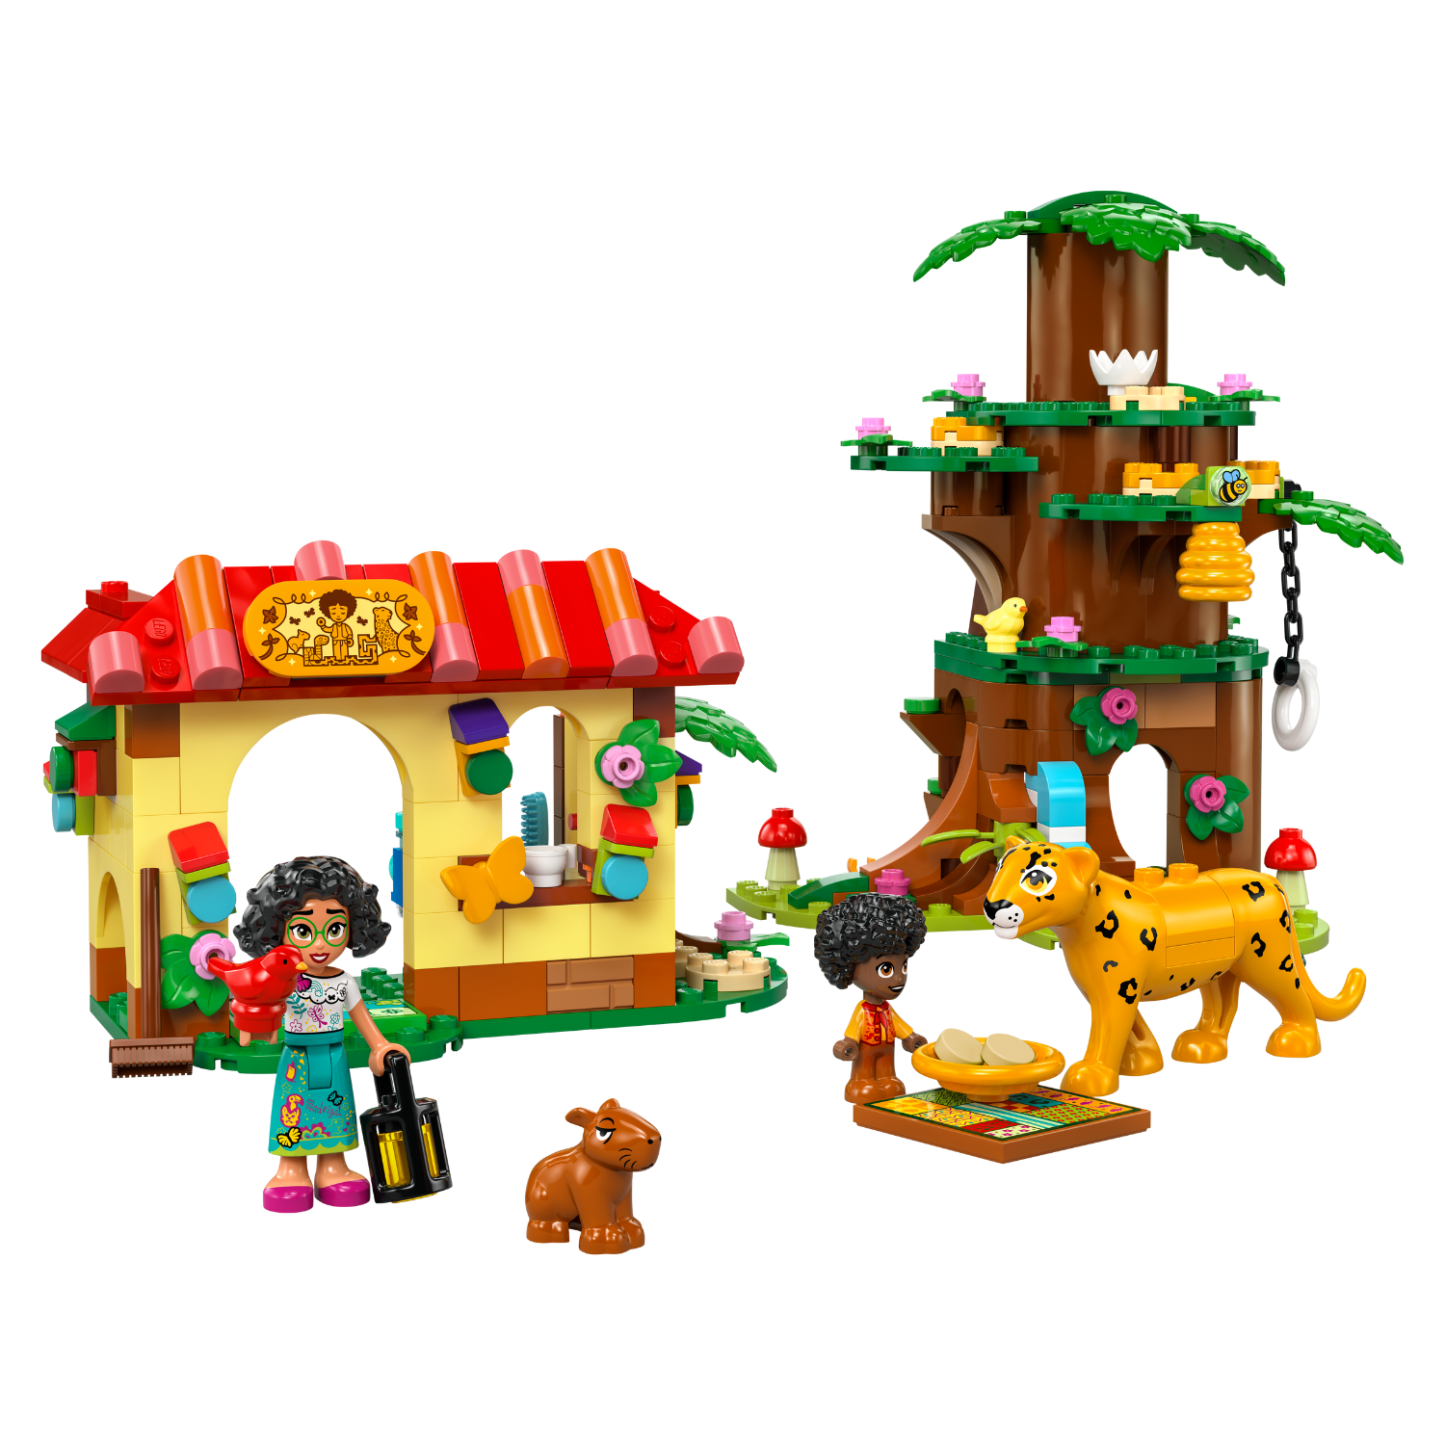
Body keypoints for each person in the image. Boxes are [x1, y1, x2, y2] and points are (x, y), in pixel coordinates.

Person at [234, 856, 409, 1212]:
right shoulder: (283, 980)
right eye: (303, 930)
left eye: (334, 929)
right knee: (293, 1112)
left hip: (334, 1056)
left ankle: (333, 1168)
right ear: (277, 928)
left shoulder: (344, 982)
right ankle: (291, 1170)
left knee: (335, 1109)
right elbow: (260, 1006)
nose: (319, 944)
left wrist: (380, 1046)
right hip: (296, 1059)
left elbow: (362, 1018)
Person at [816, 891, 928, 1103]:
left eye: (903, 966)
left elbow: (898, 1024)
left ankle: (888, 1079)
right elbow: (853, 1031)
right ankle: (861, 1081)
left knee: (888, 1073)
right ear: (849, 966)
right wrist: (848, 1044)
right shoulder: (862, 1010)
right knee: (865, 1068)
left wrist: (911, 1037)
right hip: (866, 1048)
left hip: (887, 1048)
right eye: (886, 969)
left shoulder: (886, 1009)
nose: (899, 978)